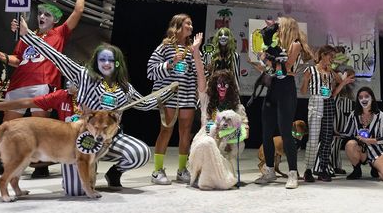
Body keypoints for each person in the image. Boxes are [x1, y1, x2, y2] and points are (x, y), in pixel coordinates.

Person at [14, 16, 174, 190]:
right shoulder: (82, 75)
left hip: (110, 140)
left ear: (117, 63)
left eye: (111, 60)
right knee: (75, 191)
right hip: (81, 139)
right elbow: (55, 57)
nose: (106, 63)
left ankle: (114, 173)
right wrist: (27, 35)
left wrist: (167, 92)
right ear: (96, 61)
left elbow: (145, 104)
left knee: (139, 153)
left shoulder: (125, 87)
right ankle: (86, 170)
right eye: (102, 59)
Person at [0, 0, 85, 177]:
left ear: (55, 20)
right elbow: (17, 59)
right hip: (18, 84)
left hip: (43, 83)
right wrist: (1, 55)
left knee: (42, 126)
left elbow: (78, 12)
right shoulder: (27, 36)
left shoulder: (60, 33)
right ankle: (3, 163)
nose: (42, 16)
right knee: (8, 126)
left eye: (47, 14)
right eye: (40, 13)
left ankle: (41, 165)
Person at [254, 16, 313, 189]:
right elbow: (269, 68)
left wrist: (268, 60)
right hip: (272, 90)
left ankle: (293, 172)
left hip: (286, 91)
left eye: (279, 25)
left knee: (286, 132)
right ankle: (270, 170)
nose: (276, 28)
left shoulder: (295, 44)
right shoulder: (274, 45)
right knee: (266, 133)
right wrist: (263, 57)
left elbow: (285, 67)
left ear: (287, 27)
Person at [188, 32, 249, 189]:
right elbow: (201, 75)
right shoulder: (207, 100)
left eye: (226, 84)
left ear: (231, 87)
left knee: (238, 145)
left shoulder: (237, 107)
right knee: (207, 142)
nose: (222, 87)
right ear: (214, 86)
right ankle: (204, 174)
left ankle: (219, 174)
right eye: (219, 84)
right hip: (205, 142)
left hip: (224, 146)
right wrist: (196, 51)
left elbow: (245, 132)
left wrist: (224, 134)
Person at [147, 14, 198, 185]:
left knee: (185, 133)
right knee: (166, 130)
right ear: (177, 26)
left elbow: (197, 74)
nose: (191, 27)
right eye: (187, 24)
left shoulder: (192, 49)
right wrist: (169, 64)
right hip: (169, 96)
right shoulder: (165, 46)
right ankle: (157, 171)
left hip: (188, 96)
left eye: (191, 24)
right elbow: (150, 71)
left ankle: (182, 170)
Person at [300, 45, 354, 182]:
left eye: (334, 57)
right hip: (316, 102)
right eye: (331, 56)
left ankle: (323, 169)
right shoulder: (311, 70)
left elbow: (334, 92)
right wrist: (306, 80)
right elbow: (303, 91)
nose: (332, 59)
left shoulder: (330, 73)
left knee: (327, 138)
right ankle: (308, 170)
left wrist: (343, 83)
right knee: (313, 139)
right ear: (323, 55)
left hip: (329, 103)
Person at [340, 87, 383, 183]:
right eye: (360, 97)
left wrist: (367, 140)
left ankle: (375, 167)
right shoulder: (354, 114)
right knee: (350, 144)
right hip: (360, 149)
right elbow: (346, 133)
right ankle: (357, 170)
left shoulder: (380, 115)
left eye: (366, 96)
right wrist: (334, 133)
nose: (364, 99)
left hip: (377, 149)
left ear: (372, 98)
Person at [331, 68, 356, 175]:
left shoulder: (348, 91)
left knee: (337, 144)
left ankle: (336, 166)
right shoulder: (335, 89)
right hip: (334, 119)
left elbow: (349, 108)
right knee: (332, 143)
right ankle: (329, 165)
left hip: (343, 121)